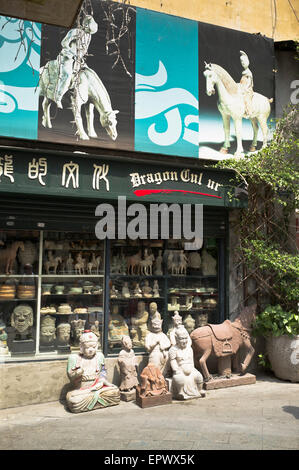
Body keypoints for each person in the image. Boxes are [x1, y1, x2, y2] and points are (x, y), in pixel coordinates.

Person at [66, 331, 120, 413]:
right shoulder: (74, 358)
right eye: (87, 348)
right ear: (81, 347)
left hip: (98, 386)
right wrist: (77, 373)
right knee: (74, 401)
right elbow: (71, 377)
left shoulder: (99, 356)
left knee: (115, 392)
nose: (91, 350)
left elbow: (103, 372)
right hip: (81, 389)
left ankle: (94, 398)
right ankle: (95, 399)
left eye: (93, 347)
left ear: (97, 346)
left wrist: (103, 382)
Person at [54, 15, 98, 109]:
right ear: (85, 25)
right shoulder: (75, 32)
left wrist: (81, 56)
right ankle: (58, 97)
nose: (88, 33)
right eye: (88, 30)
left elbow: (85, 49)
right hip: (67, 57)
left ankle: (74, 98)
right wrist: (71, 53)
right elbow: (64, 43)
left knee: (85, 76)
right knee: (67, 76)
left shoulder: (88, 35)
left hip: (78, 60)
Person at [169, 326, 205, 400]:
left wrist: (192, 369)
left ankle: (199, 389)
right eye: (182, 339)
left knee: (199, 376)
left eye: (186, 338)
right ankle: (180, 392)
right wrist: (176, 369)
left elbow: (191, 361)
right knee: (179, 379)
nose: (184, 341)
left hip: (191, 369)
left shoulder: (189, 349)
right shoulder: (173, 350)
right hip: (180, 370)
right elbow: (172, 361)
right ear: (176, 339)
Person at [239, 50, 254, 118]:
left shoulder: (248, 72)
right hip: (242, 86)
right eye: (241, 61)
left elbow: (250, 81)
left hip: (247, 89)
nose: (242, 63)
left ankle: (248, 112)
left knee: (246, 98)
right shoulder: (244, 71)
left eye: (243, 61)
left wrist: (246, 87)